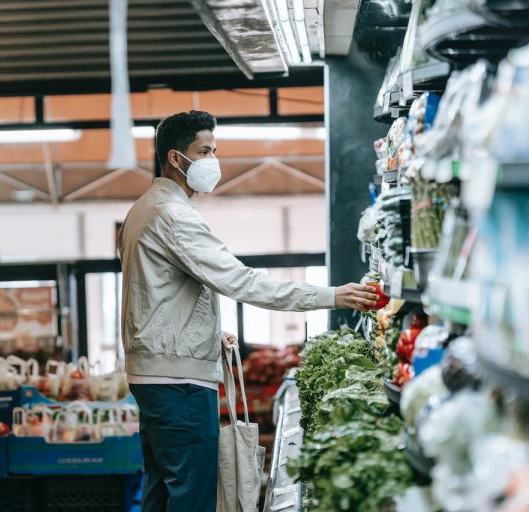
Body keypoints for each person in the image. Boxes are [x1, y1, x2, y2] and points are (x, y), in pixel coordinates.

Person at [118, 110, 379, 512]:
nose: (212, 161)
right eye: (203, 151)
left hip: (154, 374)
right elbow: (241, 281)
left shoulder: (143, 209)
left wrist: (206, 331)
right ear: (175, 158)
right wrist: (331, 296)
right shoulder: (173, 216)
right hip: (179, 381)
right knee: (193, 494)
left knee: (163, 489)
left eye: (214, 151)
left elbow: (155, 295)